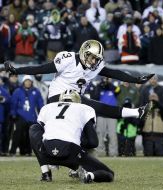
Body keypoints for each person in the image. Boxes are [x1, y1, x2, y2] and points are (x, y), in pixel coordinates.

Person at [4, 39, 153, 120]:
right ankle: (136, 113)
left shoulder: (96, 66)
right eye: (92, 57)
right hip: (58, 96)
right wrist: (18, 70)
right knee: (92, 105)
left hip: (76, 99)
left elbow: (113, 73)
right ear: (84, 52)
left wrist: (135, 80)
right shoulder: (68, 59)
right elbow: (41, 69)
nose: (94, 62)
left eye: (97, 59)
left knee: (88, 130)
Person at [29, 90, 114, 183]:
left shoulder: (48, 107)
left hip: (47, 153)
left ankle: (45, 173)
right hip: (72, 154)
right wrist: (81, 145)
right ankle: (88, 175)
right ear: (77, 101)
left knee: (34, 128)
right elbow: (93, 142)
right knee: (109, 174)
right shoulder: (84, 108)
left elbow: (39, 131)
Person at [9, 75, 44, 156]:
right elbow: (13, 103)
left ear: (31, 82)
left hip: (32, 116)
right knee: (17, 134)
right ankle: (12, 151)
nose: (28, 83)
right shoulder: (18, 91)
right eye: (26, 81)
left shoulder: (36, 91)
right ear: (23, 82)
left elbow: (40, 104)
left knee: (30, 136)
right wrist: (13, 114)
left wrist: (42, 114)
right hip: (20, 115)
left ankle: (27, 151)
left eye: (29, 81)